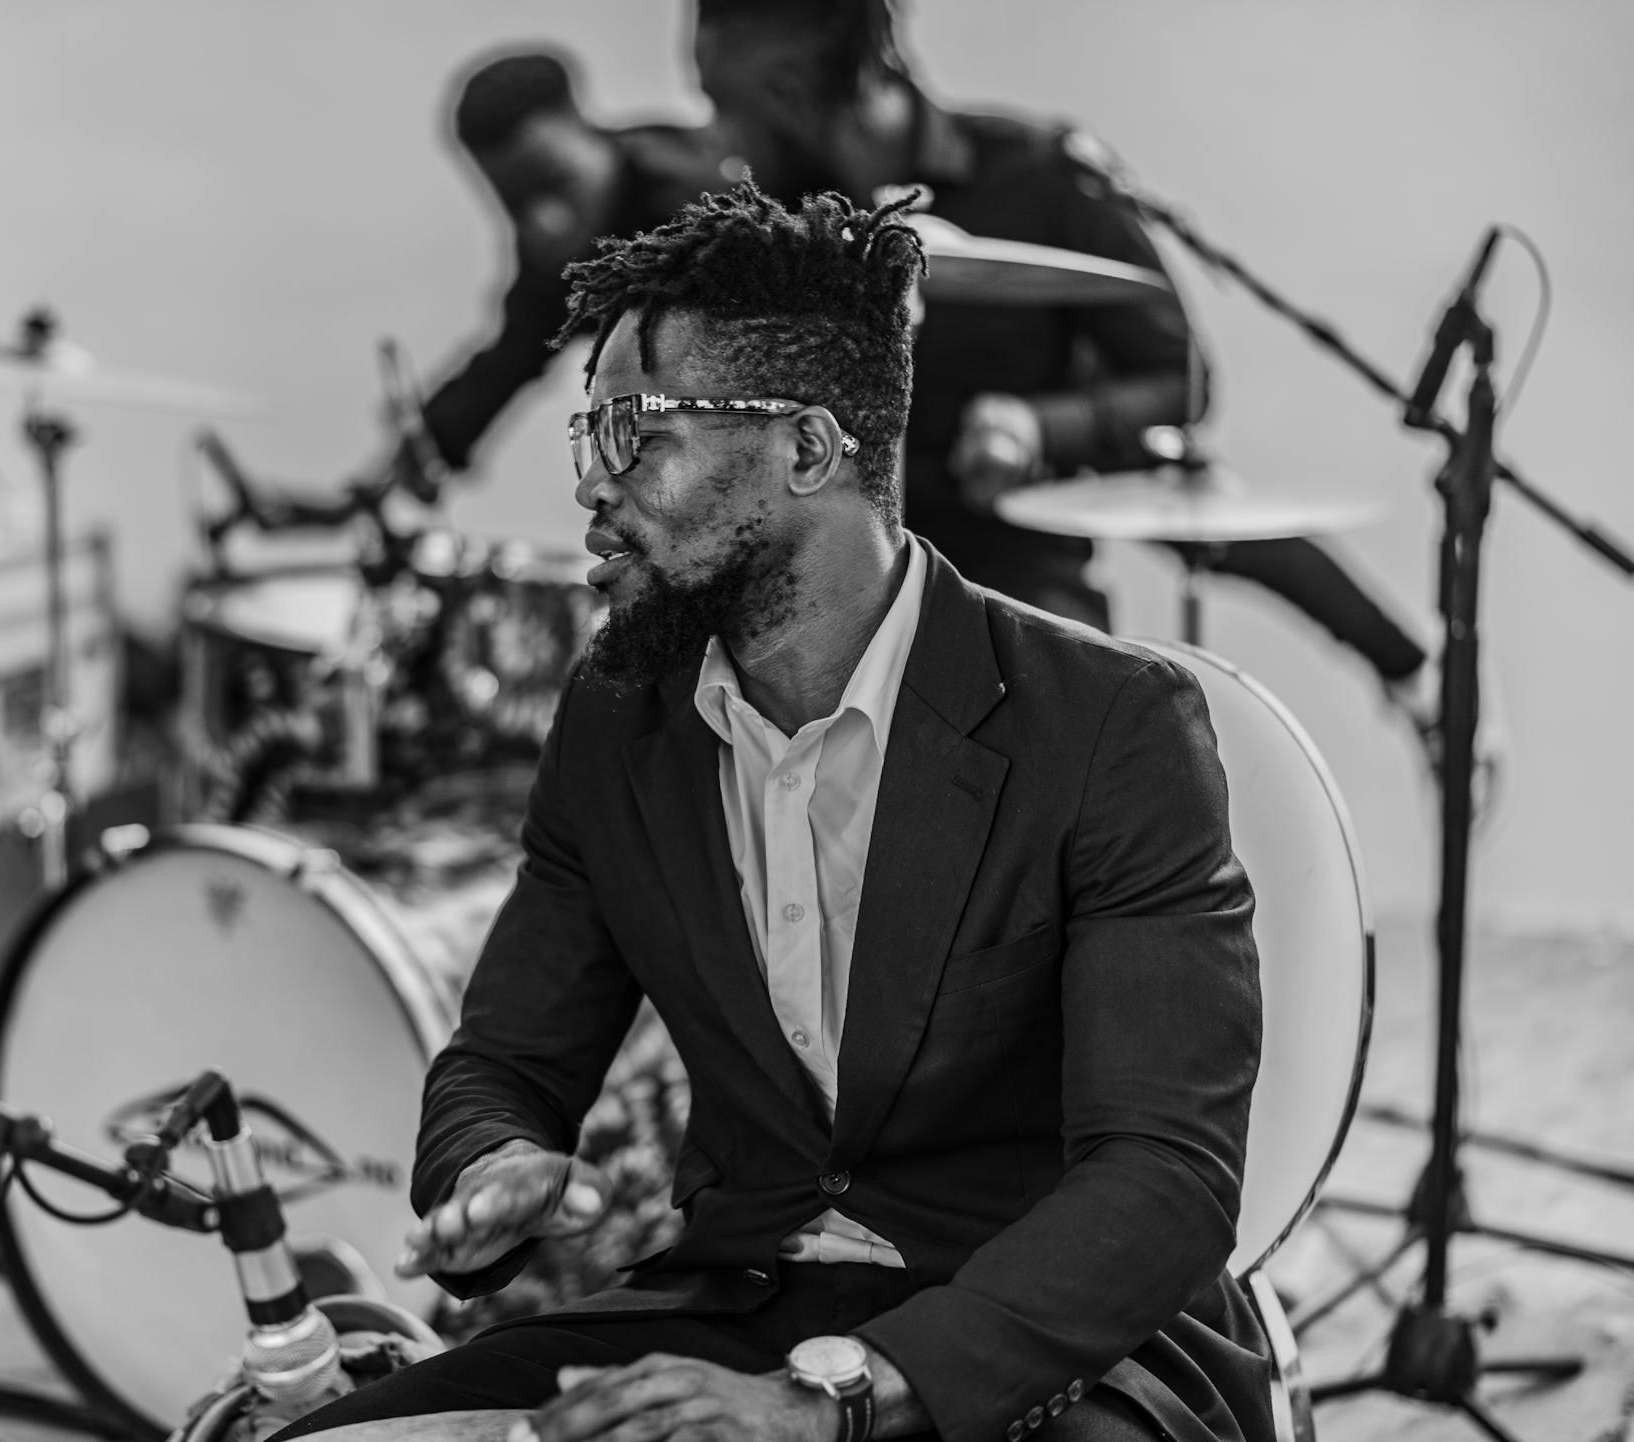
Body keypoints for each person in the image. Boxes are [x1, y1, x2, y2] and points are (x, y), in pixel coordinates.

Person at [275, 182, 1273, 1442]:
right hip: (740, 1297)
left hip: (1043, 1343)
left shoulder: (1107, 723)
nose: (592, 485)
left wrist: (833, 1397)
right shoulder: (619, 714)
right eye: (589, 435)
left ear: (807, 450)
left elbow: (1164, 1178)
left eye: (635, 432)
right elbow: (507, 1059)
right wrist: (492, 1160)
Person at [687, 0, 1458, 760]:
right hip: (831, 566)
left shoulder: (1038, 175)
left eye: (723, 102)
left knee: (1065, 727)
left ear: (791, 89)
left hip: (1013, 562)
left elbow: (1177, 379)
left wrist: (1039, 427)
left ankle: (1417, 672)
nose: (716, 133)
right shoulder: (768, 211)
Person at [369, 48, 733, 500]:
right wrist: (410, 458)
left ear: (588, 132)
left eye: (554, 181)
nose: (545, 221)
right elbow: (510, 359)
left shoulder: (706, 200)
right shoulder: (564, 262)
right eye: (512, 202)